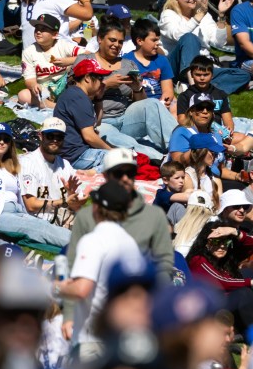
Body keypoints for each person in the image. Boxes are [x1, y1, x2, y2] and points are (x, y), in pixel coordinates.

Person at [66, 148, 176, 286]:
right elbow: (73, 261)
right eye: (118, 173)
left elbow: (164, 263)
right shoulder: (87, 215)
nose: (125, 179)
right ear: (105, 176)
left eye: (130, 173)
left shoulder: (154, 215)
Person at [57, 181, 143, 349]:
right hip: (119, 340)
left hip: (90, 339)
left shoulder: (93, 240)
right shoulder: (132, 243)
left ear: (96, 207)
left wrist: (56, 287)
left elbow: (82, 289)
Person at [81, 21, 179, 161]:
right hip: (101, 121)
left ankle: (181, 147)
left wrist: (137, 88)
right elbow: (76, 95)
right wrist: (106, 84)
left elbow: (142, 102)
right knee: (121, 141)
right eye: (112, 40)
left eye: (120, 42)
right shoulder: (85, 62)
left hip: (126, 117)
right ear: (100, 39)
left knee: (152, 103)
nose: (116, 45)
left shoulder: (128, 64)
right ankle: (162, 159)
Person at [0, 123, 71, 247]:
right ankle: (81, 244)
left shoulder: (11, 164)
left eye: (6, 139)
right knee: (39, 228)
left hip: (17, 210)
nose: (2, 142)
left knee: (43, 225)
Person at [157, 0, 231, 78]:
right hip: (176, 67)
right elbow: (178, 36)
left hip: (203, 66)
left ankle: (197, 84)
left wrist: (221, 16)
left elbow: (219, 43)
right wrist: (198, 17)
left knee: (241, 75)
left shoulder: (204, 16)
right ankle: (193, 84)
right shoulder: (168, 15)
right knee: (189, 38)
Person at [19, 117, 83, 228]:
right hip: (39, 220)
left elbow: (77, 205)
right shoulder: (29, 163)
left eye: (59, 137)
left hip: (64, 218)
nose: (55, 140)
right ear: (40, 136)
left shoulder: (65, 165)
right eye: (50, 136)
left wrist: (73, 197)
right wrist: (64, 201)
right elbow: (31, 205)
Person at [18, 13, 82, 107]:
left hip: (66, 84)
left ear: (55, 34)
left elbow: (88, 55)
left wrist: (68, 61)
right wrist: (33, 85)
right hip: (44, 90)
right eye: (37, 28)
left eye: (43, 29)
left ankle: (62, 104)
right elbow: (29, 79)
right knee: (23, 95)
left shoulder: (62, 45)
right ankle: (57, 106)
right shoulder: (29, 51)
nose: (38, 32)